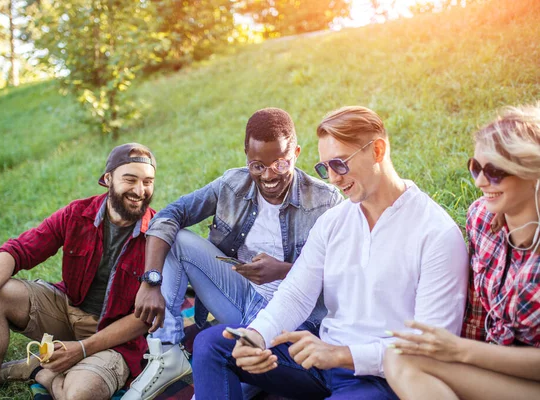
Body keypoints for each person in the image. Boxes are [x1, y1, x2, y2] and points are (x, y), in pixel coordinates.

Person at [191, 106, 469, 400]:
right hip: (321, 361)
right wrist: (256, 336)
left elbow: (430, 349)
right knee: (212, 344)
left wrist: (343, 355)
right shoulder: (335, 221)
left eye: (340, 163)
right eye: (325, 168)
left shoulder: (435, 233)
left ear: (377, 150)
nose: (333, 178)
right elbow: (296, 294)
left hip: (381, 378)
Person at [124, 108, 341, 400]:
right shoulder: (232, 185)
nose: (268, 177)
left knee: (222, 384)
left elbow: (345, 274)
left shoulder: (326, 200)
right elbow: (168, 216)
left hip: (295, 319)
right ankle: (166, 350)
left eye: (280, 164)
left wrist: (284, 270)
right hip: (242, 299)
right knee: (177, 239)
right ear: (246, 156)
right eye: (257, 166)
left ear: (297, 153)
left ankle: (250, 371)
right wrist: (151, 281)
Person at [0, 143, 158, 400]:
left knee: (81, 395)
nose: (140, 191)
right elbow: (16, 251)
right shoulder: (77, 214)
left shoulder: (157, 235)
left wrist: (83, 349)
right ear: (108, 179)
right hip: (68, 310)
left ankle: (39, 372)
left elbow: (144, 319)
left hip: (115, 338)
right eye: (130, 180)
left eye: (148, 182)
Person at [383, 105, 540, 400]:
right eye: (476, 168)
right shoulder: (480, 218)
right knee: (400, 357)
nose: (480, 182)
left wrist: (460, 351)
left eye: (494, 171)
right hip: (495, 368)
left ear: (531, 171)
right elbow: (478, 312)